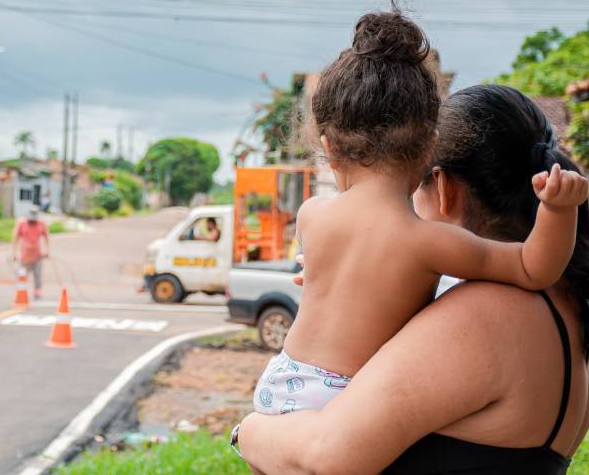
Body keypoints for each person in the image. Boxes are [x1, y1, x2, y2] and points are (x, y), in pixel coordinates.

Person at [248, 3, 587, 419]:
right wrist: (558, 209)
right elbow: (535, 267)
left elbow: (350, 280)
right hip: (341, 396)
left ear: (330, 148)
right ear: (430, 148)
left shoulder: (313, 215)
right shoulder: (429, 243)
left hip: (282, 380)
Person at [237, 85, 589, 474]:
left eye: (411, 189)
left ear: (443, 187)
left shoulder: (485, 313)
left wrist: (248, 431)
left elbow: (323, 460)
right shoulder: (560, 304)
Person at [13, 207, 49, 300]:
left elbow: (46, 237)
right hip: (25, 255)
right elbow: (16, 238)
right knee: (22, 274)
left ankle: (37, 292)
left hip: (38, 254)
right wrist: (14, 252)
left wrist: (47, 250)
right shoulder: (22, 224)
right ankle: (21, 292)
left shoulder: (41, 224)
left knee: (38, 274)